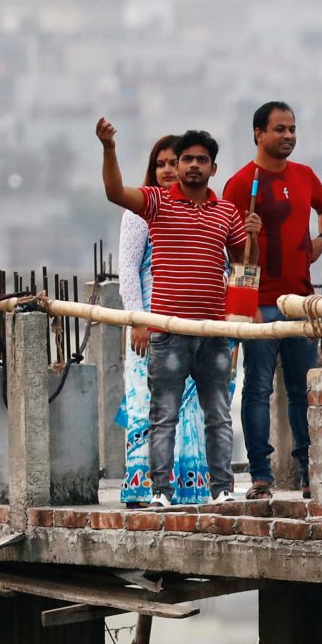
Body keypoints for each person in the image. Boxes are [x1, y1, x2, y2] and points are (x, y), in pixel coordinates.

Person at [96, 119, 249, 503]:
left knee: (217, 417)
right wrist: (109, 149)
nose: (192, 165)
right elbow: (115, 192)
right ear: (177, 167)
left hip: (213, 331)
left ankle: (221, 491)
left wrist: (239, 324)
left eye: (201, 159)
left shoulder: (227, 213)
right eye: (185, 159)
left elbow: (244, 268)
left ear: (213, 167)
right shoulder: (156, 203)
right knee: (163, 417)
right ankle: (160, 492)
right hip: (165, 329)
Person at [226, 103, 322, 497]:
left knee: (302, 390)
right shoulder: (241, 184)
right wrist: (247, 304)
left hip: (300, 302)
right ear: (258, 133)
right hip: (262, 304)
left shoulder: (305, 176)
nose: (288, 135)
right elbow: (232, 251)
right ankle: (261, 476)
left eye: (292, 129)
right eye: (279, 129)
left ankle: (309, 472)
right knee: (256, 389)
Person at [116, 134, 211, 508]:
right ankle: (145, 489)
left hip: (193, 329)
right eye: (162, 164)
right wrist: (139, 321)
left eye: (176, 162)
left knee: (191, 410)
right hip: (149, 329)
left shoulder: (199, 209)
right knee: (148, 406)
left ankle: (189, 490)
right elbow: (127, 269)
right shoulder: (140, 212)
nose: (170, 169)